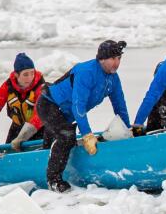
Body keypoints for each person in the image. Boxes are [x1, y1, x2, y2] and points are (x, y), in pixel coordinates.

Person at [36, 40, 130, 192]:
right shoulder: (86, 72)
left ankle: (43, 159)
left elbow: (120, 106)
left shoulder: (113, 78)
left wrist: (127, 129)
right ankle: (53, 180)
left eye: (119, 58)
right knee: (66, 137)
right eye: (113, 58)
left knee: (57, 143)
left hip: (65, 113)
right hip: (49, 105)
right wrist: (86, 134)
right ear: (102, 59)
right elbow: (78, 106)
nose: (117, 63)